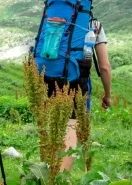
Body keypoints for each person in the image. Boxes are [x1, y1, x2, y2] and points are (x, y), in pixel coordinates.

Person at [45, 18, 112, 171]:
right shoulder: (94, 25)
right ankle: (59, 184)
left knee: (55, 130)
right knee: (70, 132)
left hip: (48, 78)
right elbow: (105, 67)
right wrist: (107, 95)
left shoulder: (53, 18)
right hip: (76, 82)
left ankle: (49, 176)